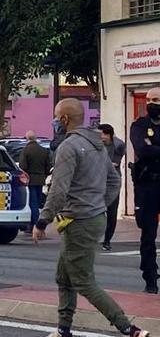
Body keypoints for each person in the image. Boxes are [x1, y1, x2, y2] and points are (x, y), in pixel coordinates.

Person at [33, 99, 148, 337]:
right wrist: (99, 204)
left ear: (64, 119)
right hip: (93, 218)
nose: (55, 121)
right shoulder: (97, 145)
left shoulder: (68, 147)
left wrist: (43, 221)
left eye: (56, 117)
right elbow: (114, 180)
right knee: (63, 277)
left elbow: (59, 189)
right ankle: (63, 330)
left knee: (84, 281)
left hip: (78, 221)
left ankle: (128, 328)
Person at [130, 87, 160, 294]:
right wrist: (150, 148)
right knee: (148, 233)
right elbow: (142, 149)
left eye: (156, 99)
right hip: (147, 185)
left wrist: (153, 147)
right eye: (149, 99)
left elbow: (150, 149)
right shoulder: (139, 125)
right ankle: (150, 278)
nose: (152, 103)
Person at [98, 123, 126, 251]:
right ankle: (95, 236)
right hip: (98, 180)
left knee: (112, 212)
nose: (100, 137)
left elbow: (114, 163)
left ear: (108, 135)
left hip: (112, 182)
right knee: (96, 210)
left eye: (102, 134)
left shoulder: (118, 145)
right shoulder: (97, 145)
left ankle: (107, 240)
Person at [19, 130, 51, 232]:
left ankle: (34, 225)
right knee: (37, 202)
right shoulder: (43, 150)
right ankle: (37, 223)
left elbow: (23, 166)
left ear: (27, 139)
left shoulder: (26, 150)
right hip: (41, 179)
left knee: (32, 203)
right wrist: (43, 175)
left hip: (30, 180)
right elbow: (48, 167)